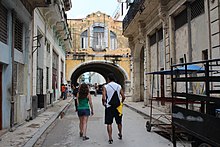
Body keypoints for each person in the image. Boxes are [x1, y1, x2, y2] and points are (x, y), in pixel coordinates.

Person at [102, 73, 126, 144]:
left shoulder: (105, 86)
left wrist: (104, 103)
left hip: (109, 106)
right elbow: (123, 96)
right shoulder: (119, 86)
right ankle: (120, 133)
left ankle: (110, 138)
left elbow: (103, 97)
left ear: (108, 79)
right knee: (119, 122)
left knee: (109, 123)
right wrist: (121, 102)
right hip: (117, 107)